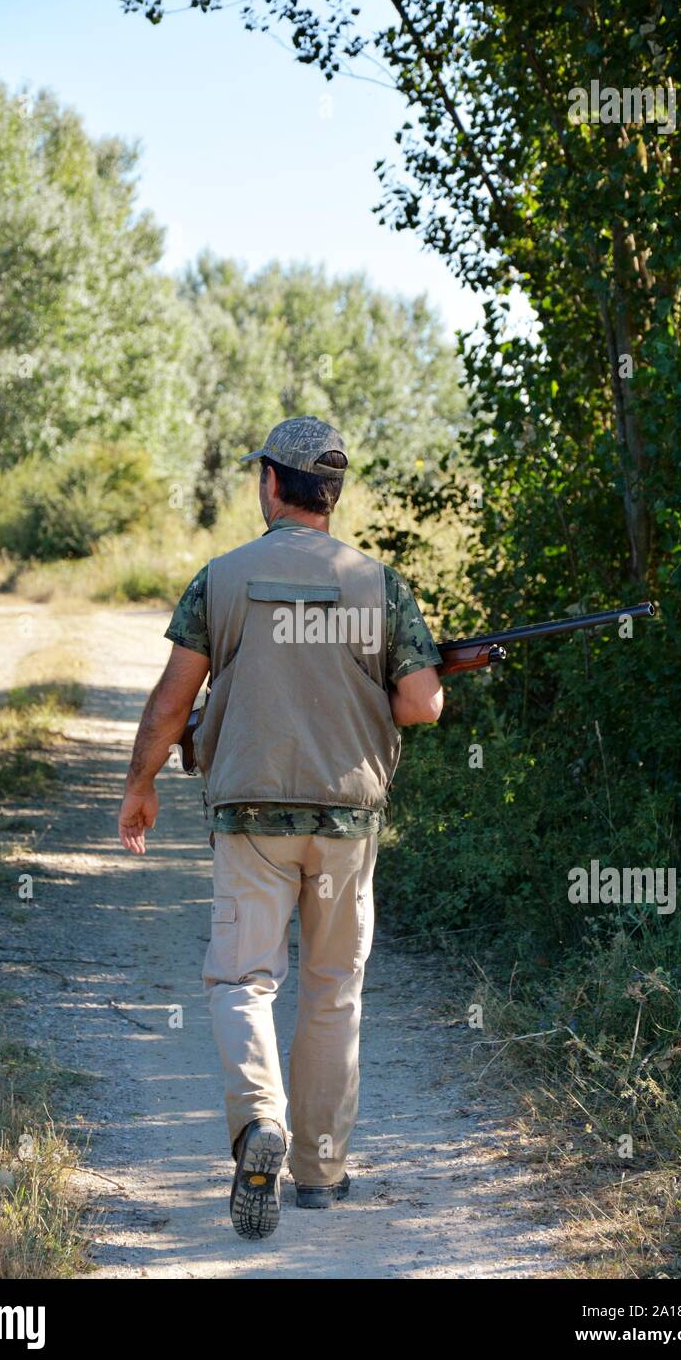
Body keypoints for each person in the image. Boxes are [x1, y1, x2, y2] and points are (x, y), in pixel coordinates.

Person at [118, 416, 443, 1240]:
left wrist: (141, 785)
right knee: (333, 993)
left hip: (249, 815)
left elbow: (170, 701)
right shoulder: (380, 584)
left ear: (271, 483)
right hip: (346, 822)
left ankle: (260, 1120)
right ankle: (319, 1171)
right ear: (331, 494)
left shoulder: (220, 578)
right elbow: (421, 704)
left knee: (241, 982)